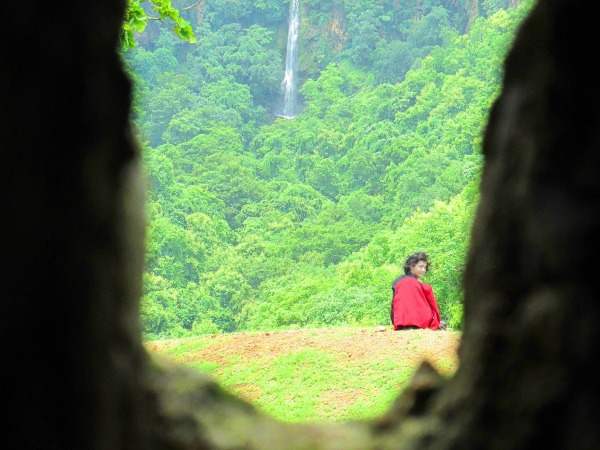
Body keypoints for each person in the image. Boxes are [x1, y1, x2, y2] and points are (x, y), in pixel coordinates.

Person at [390, 252, 446, 331]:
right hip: (409, 321)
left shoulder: (400, 280)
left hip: (399, 321)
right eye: (421, 267)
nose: (423, 270)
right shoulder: (408, 282)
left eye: (425, 267)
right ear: (412, 267)